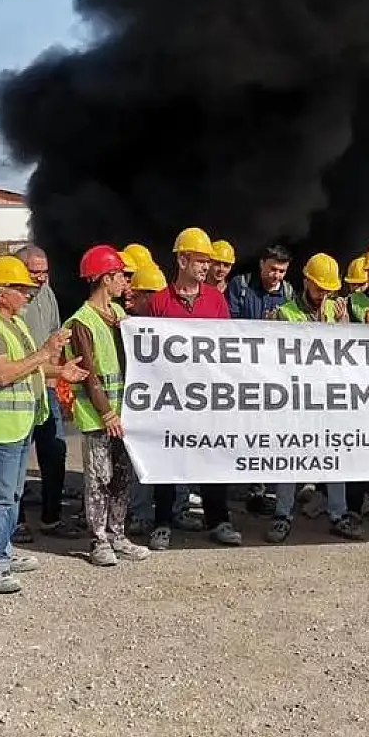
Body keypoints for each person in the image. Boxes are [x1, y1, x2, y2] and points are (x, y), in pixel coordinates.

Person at [0, 256, 84, 592]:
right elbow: (2, 373)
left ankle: (4, 550)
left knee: (13, 494)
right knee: (0, 498)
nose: (29, 294)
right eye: (21, 289)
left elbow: (27, 366)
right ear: (2, 293)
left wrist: (60, 371)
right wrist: (46, 352)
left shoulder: (13, 323)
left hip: (18, 422)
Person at [138, 226, 239, 549]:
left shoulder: (217, 301)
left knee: (213, 459)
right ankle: (163, 522)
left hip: (208, 399)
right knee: (168, 460)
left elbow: (227, 349)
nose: (206, 267)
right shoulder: (159, 303)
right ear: (182, 260)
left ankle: (219, 520)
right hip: (171, 400)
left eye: (208, 261)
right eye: (200, 260)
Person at [265, 253, 366, 542]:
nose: (323, 294)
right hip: (295, 397)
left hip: (330, 396)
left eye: (328, 289)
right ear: (307, 281)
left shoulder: (338, 310)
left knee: (335, 453)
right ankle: (283, 514)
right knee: (289, 454)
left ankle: (339, 513)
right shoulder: (284, 312)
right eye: (319, 287)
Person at [65, 246, 150, 567]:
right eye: (121, 276)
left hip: (126, 416)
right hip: (99, 417)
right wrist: (106, 412)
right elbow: (87, 374)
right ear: (105, 278)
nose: (126, 281)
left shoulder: (119, 315)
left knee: (121, 477)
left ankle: (118, 534)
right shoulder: (81, 322)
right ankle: (99, 540)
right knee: (99, 480)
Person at [11, 245, 81, 540]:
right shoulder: (12, 301)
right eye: (34, 272)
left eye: (44, 272)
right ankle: (15, 521)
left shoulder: (47, 293)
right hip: (19, 388)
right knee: (16, 458)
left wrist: (54, 376)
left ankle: (52, 517)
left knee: (54, 450)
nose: (41, 278)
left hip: (46, 386)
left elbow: (54, 337)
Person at [227, 244, 293, 320]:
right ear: (262, 264)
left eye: (282, 271)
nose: (276, 275)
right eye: (273, 269)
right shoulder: (240, 284)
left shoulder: (288, 292)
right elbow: (232, 321)